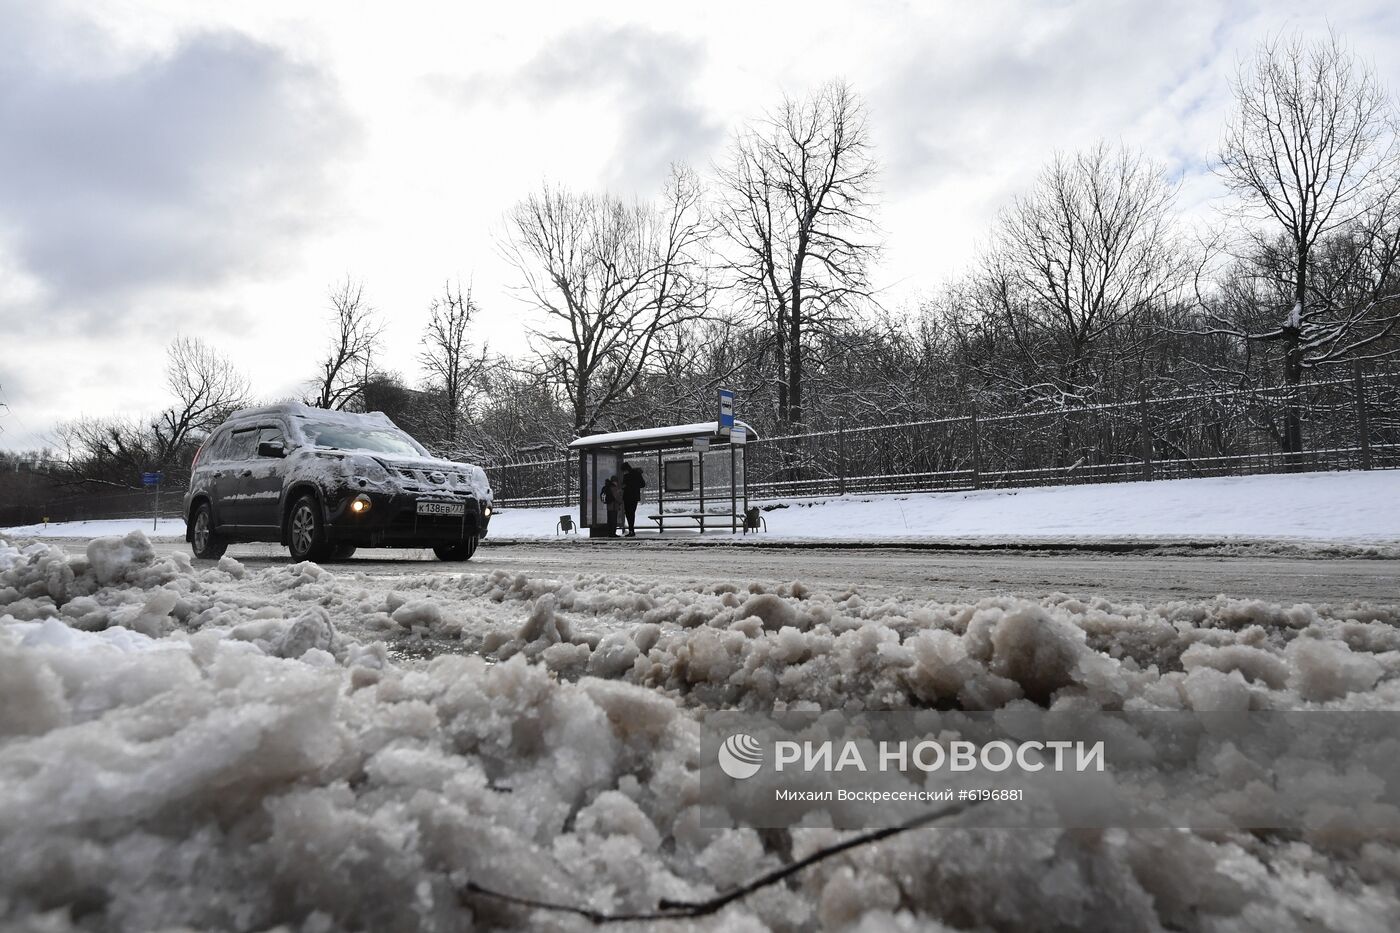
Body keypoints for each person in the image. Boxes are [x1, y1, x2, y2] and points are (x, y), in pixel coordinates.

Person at [621, 462, 647, 537]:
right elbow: (643, 484)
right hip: (634, 497)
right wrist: (634, 486)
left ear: (626, 469)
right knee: (631, 513)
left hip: (627, 497)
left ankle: (631, 530)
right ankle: (631, 530)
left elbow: (624, 486)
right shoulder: (637, 474)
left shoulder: (626, 476)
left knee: (629, 514)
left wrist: (627, 486)